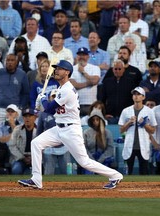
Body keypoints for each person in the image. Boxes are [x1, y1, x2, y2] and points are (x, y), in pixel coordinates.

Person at [18, 60, 123, 189]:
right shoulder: (60, 88)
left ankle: (115, 175)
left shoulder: (67, 90)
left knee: (84, 162)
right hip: (59, 128)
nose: (56, 71)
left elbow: (50, 109)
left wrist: (43, 99)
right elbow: (45, 109)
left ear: (67, 72)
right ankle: (36, 179)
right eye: (56, 69)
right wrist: (40, 103)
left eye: (60, 69)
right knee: (36, 143)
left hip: (71, 130)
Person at [119, 87, 157, 175]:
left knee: (144, 171)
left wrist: (144, 124)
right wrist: (129, 122)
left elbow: (153, 130)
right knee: (128, 172)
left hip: (143, 145)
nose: (136, 96)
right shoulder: (126, 111)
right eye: (134, 94)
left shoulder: (149, 111)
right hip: (129, 145)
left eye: (138, 94)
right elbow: (121, 130)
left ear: (143, 97)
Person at [37, 89, 70, 175]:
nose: (55, 98)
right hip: (49, 147)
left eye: (56, 96)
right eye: (53, 96)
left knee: (67, 172)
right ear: (49, 98)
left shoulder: (65, 111)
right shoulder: (43, 113)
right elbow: (39, 131)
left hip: (64, 146)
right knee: (48, 173)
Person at [0, 54, 30, 124]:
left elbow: (26, 93)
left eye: (12, 60)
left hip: (15, 109)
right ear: (5, 61)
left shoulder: (22, 74)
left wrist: (21, 107)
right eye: (8, 60)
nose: (9, 62)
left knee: (15, 131)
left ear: (16, 62)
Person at [101, 59, 136, 124]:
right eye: (115, 69)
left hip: (126, 115)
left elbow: (133, 99)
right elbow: (102, 99)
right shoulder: (107, 82)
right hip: (111, 116)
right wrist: (104, 114)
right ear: (112, 70)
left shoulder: (130, 82)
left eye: (119, 69)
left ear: (123, 69)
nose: (117, 71)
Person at [70, 47, 100, 117]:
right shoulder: (72, 69)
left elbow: (95, 81)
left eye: (84, 55)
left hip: (91, 103)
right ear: (77, 56)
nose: (81, 57)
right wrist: (89, 83)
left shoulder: (95, 68)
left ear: (88, 56)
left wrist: (83, 72)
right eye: (80, 55)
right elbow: (74, 85)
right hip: (75, 104)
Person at [9, 108, 38, 175]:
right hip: (20, 158)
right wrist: (22, 157)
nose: (27, 118)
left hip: (35, 159)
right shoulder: (17, 129)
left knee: (33, 173)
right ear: (23, 118)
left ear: (35, 118)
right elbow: (11, 145)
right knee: (16, 169)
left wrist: (32, 158)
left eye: (30, 116)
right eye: (25, 116)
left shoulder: (39, 130)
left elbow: (43, 147)